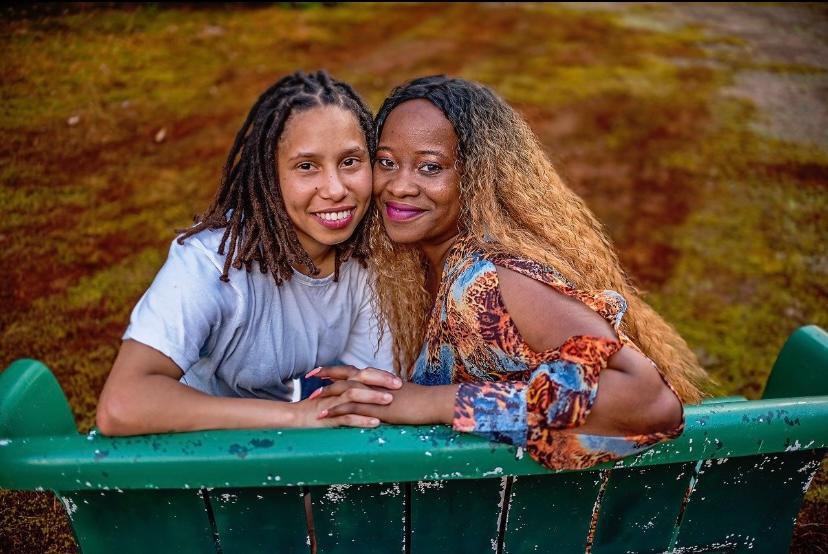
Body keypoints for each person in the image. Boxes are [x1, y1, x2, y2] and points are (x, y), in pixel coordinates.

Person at [313, 75, 710, 470]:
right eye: (386, 162)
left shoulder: (487, 280)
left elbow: (649, 401)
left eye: (430, 167)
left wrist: (431, 401)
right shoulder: (423, 267)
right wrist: (385, 393)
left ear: (478, 177)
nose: (399, 186)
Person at [96, 70, 400, 436]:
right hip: (191, 453)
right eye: (307, 166)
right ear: (270, 175)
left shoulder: (369, 259)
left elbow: (366, 397)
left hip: (281, 450)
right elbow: (122, 404)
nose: (335, 189)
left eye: (350, 161)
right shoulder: (211, 264)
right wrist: (297, 417)